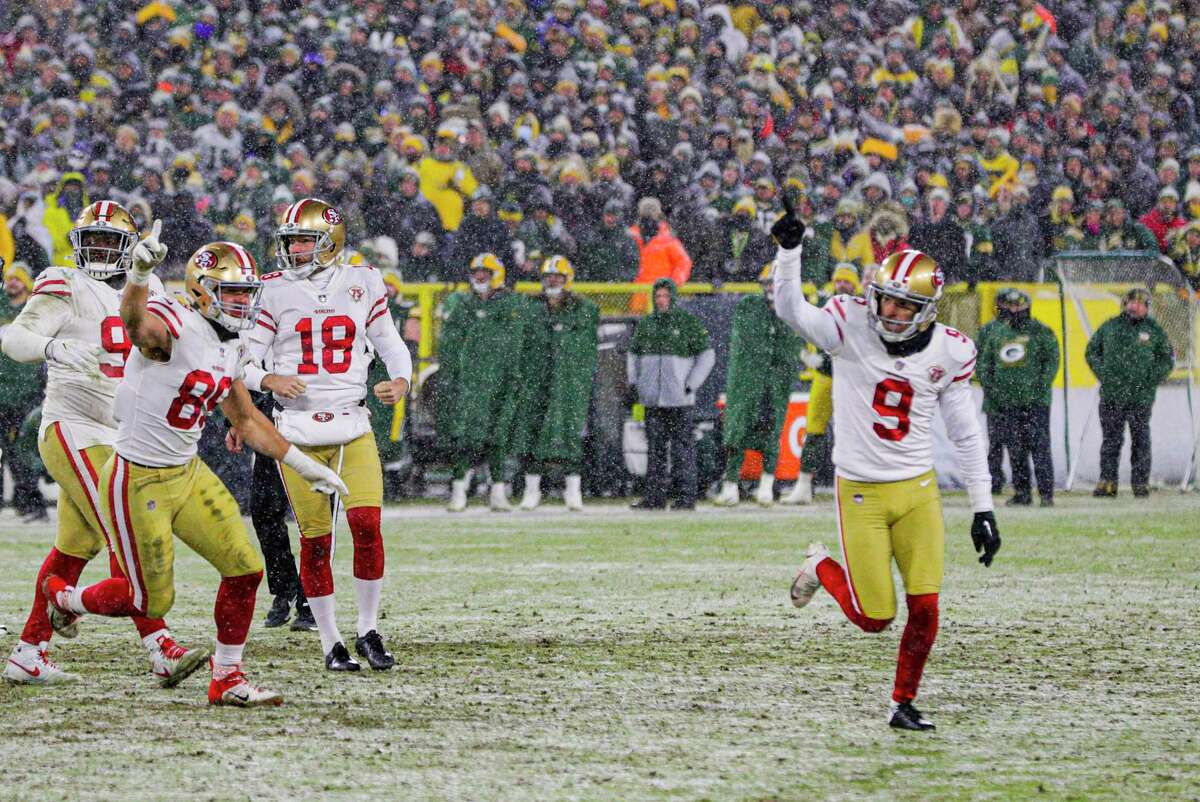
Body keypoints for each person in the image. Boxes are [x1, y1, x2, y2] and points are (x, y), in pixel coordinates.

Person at [42, 235, 348, 707]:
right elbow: (133, 324)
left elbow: (246, 419)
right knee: (150, 601)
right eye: (234, 293)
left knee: (245, 570)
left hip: (186, 471)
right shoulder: (176, 324)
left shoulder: (232, 342)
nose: (244, 302)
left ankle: (226, 677)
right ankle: (66, 598)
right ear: (203, 290)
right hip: (137, 478)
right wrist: (141, 275)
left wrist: (304, 465)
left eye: (248, 292)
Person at [771, 200, 1001, 732]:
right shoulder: (851, 324)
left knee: (925, 608)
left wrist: (983, 507)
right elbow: (793, 312)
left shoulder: (951, 350)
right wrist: (789, 253)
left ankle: (903, 702)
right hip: (862, 493)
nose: (889, 313)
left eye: (902, 305)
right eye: (885, 300)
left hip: (918, 491)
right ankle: (819, 567)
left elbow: (965, 433)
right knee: (875, 616)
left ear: (925, 308)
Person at [1, 202, 205, 686]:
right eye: (88, 240)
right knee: (126, 526)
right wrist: (54, 346)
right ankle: (160, 646)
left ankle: (29, 650)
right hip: (73, 426)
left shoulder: (149, 287)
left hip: (124, 432)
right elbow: (15, 337)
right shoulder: (64, 281)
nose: (95, 250)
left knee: (76, 546)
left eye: (106, 241)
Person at [244, 198, 412, 672]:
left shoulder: (363, 281)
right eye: (290, 241)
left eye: (302, 241)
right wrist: (269, 380)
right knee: (316, 542)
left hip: (352, 424)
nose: (292, 249)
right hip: (295, 433)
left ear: (329, 243)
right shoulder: (273, 290)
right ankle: (331, 643)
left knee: (367, 527)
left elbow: (391, 345)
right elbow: (244, 361)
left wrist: (401, 380)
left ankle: (369, 629)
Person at [438, 253, 528, 512]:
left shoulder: (510, 304)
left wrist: (513, 375)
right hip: (470, 382)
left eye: (484, 273)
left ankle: (498, 491)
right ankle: (458, 489)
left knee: (497, 436)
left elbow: (516, 345)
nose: (479, 278)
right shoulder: (462, 303)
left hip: (500, 380)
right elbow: (450, 345)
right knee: (465, 436)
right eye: (476, 273)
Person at [714, 263, 804, 507]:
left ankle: (766, 484)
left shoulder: (790, 313)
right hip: (749, 382)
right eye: (769, 284)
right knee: (737, 429)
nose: (771, 289)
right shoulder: (748, 307)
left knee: (771, 430)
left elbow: (787, 352)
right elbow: (746, 348)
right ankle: (730, 485)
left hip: (773, 384)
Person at [514, 256, 599, 511]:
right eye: (548, 277)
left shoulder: (583, 309)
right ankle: (532, 490)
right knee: (533, 433)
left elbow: (584, 349)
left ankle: (573, 490)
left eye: (557, 277)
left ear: (567, 280)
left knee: (570, 433)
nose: (552, 281)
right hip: (537, 380)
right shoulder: (531, 308)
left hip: (568, 382)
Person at [627, 278, 715, 510]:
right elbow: (633, 355)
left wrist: (691, 384)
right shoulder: (646, 325)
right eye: (658, 297)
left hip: (679, 400)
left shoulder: (687, 323)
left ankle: (686, 497)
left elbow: (707, 355)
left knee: (681, 449)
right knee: (655, 449)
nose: (661, 301)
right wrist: (635, 383)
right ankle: (654, 497)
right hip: (653, 399)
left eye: (665, 296)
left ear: (673, 298)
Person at [782, 263, 862, 505]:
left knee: (856, 432)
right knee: (814, 430)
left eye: (847, 281)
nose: (842, 284)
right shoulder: (824, 302)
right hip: (827, 376)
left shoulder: (861, 308)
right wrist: (805, 355)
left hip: (852, 377)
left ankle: (857, 485)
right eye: (839, 280)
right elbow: (799, 327)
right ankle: (804, 485)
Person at [1085, 288, 1175, 498]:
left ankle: (1140, 483)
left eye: (1140, 303)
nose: (1135, 306)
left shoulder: (1154, 330)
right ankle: (1107, 482)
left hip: (1140, 398)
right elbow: (1091, 352)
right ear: (1125, 304)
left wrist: (1151, 378)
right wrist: (1104, 373)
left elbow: (1167, 359)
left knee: (1141, 441)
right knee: (1111, 441)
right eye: (1131, 302)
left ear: (1146, 307)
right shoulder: (1110, 326)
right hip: (1111, 396)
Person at [976, 288, 1059, 507]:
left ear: (1027, 307)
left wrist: (1039, 388)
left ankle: (1046, 494)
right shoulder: (997, 334)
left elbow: (1052, 361)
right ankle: (1022, 493)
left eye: (1018, 306)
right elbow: (985, 366)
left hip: (1036, 404)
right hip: (1007, 405)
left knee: (1040, 447)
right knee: (1016, 450)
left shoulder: (1041, 331)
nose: (1014, 310)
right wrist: (995, 392)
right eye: (1010, 306)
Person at [0, 258, 47, 519]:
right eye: (10, 277)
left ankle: (31, 502)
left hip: (26, 391)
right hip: (1, 391)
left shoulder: (34, 310)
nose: (12, 282)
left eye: (18, 278)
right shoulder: (1, 305)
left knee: (24, 453)